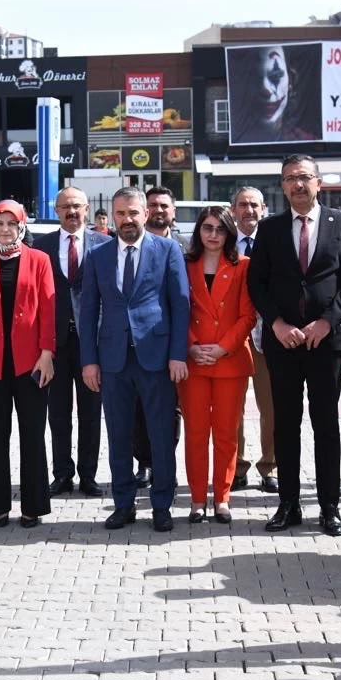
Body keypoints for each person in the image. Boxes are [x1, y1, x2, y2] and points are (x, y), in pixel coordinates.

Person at [246, 155, 341, 537]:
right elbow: (257, 284)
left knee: (326, 424)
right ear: (281, 186)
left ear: (318, 182)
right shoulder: (270, 228)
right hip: (283, 342)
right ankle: (289, 504)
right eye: (290, 179)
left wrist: (327, 322)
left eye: (304, 178)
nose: (298, 185)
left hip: (326, 343)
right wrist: (277, 323)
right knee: (286, 424)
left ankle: (329, 508)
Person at [79, 187, 190, 532]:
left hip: (156, 358)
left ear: (145, 214)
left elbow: (181, 305)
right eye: (120, 214)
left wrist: (176, 355)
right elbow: (88, 311)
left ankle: (161, 505)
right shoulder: (98, 256)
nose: (127, 220)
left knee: (160, 435)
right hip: (112, 360)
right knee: (120, 436)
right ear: (113, 217)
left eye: (133, 213)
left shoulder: (168, 250)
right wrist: (89, 360)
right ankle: (124, 504)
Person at [0, 201, 56, 528]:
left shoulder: (40, 261)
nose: (6, 228)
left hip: (31, 363)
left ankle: (33, 507)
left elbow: (48, 310)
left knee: (32, 436)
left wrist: (47, 353)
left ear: (22, 226)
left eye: (11, 223)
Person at [32, 186, 110, 496]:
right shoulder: (41, 246)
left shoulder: (105, 244)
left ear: (88, 208)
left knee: (91, 412)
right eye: (65, 206)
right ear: (56, 210)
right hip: (55, 343)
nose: (72, 211)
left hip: (93, 341)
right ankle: (62, 473)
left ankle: (88, 475)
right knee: (58, 412)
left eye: (77, 205)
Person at [180, 206, 255, 524]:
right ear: (198, 231)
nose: (213, 235)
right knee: (196, 432)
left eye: (220, 229)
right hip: (194, 360)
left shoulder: (243, 266)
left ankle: (222, 498)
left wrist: (223, 348)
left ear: (229, 233)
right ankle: (197, 499)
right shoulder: (184, 265)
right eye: (207, 228)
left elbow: (248, 315)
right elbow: (176, 308)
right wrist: (193, 346)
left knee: (226, 434)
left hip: (230, 360)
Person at [127, 185, 181, 488]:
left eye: (164, 205)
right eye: (153, 205)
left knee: (171, 412)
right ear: (146, 211)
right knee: (138, 409)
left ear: (172, 211)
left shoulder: (187, 248)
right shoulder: (124, 246)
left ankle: (164, 462)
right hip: (138, 345)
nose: (159, 210)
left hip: (175, 345)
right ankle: (144, 463)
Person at [228, 186, 276, 494]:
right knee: (232, 408)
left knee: (271, 406)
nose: (249, 211)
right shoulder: (222, 242)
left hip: (267, 336)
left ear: (264, 209)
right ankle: (237, 467)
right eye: (243, 205)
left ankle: (270, 466)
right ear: (233, 210)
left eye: (254, 205)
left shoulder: (275, 241)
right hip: (231, 338)